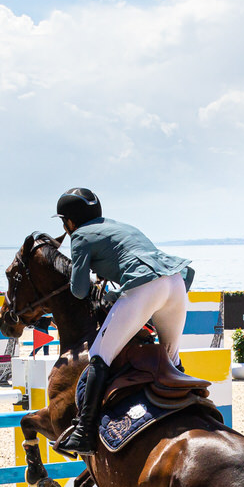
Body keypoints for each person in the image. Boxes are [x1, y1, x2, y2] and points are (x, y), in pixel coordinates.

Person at [53, 187, 195, 455]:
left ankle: (83, 433)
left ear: (69, 221)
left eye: (64, 222)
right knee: (171, 357)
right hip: (175, 282)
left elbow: (80, 291)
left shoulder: (81, 235)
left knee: (99, 355)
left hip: (146, 287)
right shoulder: (119, 226)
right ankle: (190, 410)